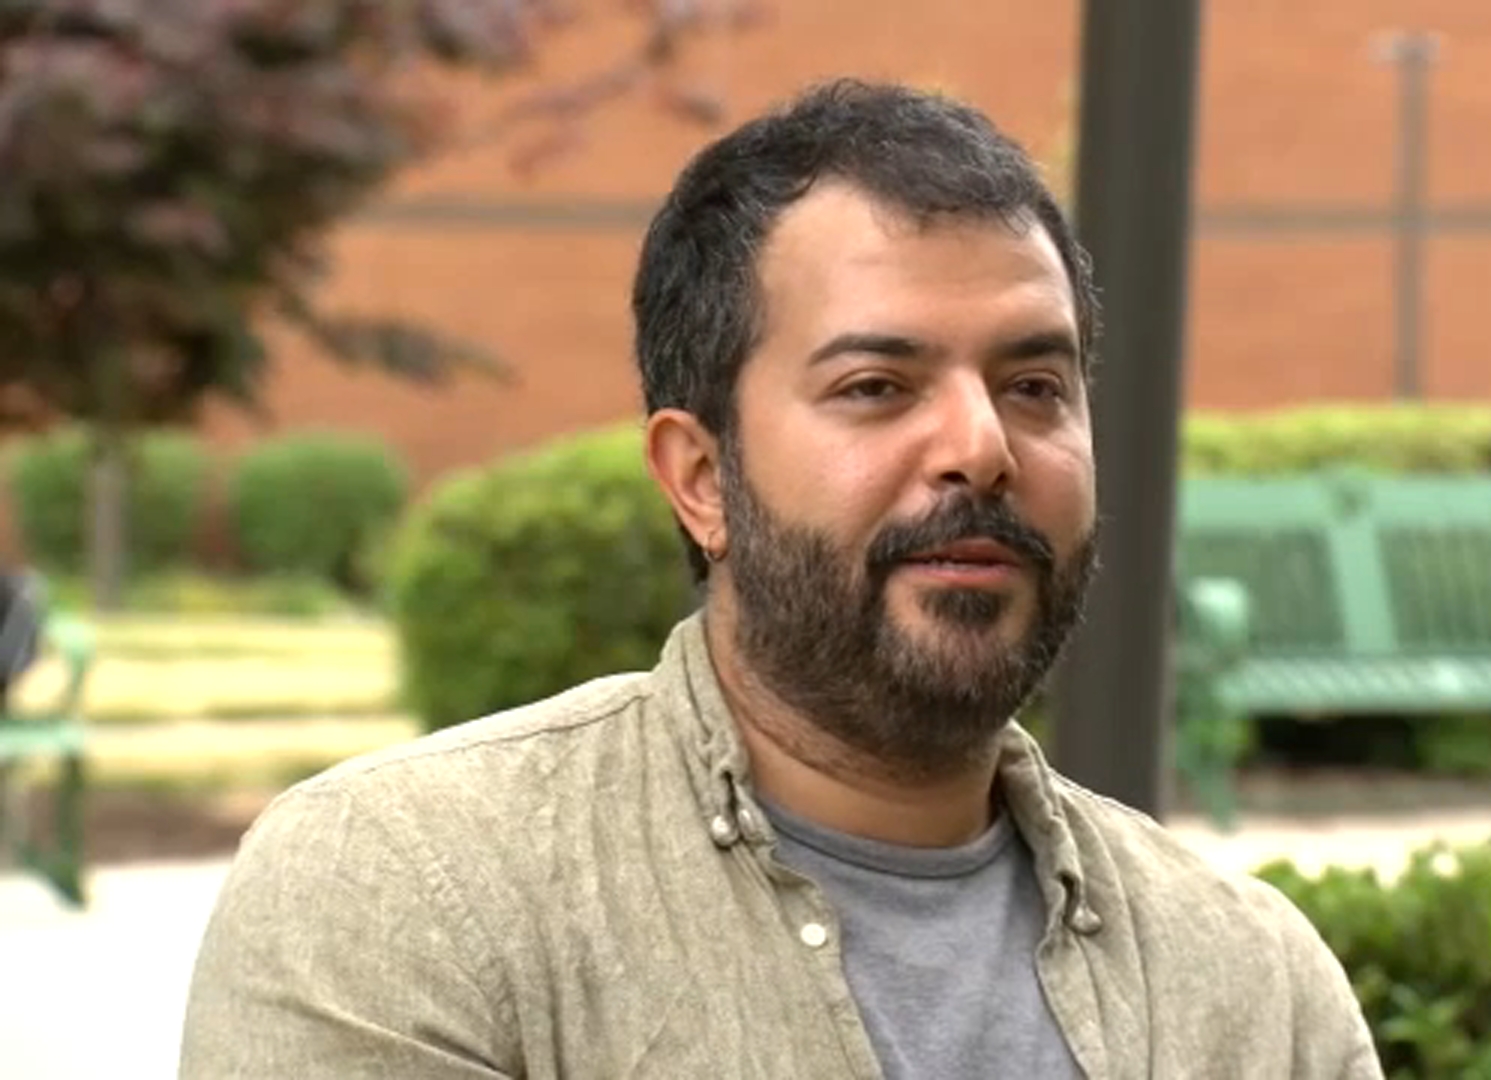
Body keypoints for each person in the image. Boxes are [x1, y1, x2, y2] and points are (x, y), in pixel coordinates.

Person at [179, 78, 1384, 1079]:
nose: (982, 447)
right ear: (701, 478)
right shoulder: (411, 890)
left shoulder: (1251, 985)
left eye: (1034, 387)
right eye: (876, 387)